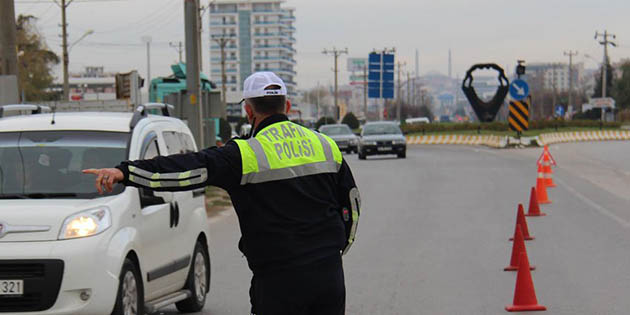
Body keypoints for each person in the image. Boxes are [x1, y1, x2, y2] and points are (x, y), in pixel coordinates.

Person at [83, 71, 361, 315]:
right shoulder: (326, 146)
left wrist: (126, 172)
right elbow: (352, 204)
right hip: (329, 274)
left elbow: (183, 170)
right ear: (287, 105)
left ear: (249, 111)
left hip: (279, 280)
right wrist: (338, 248)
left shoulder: (244, 154)